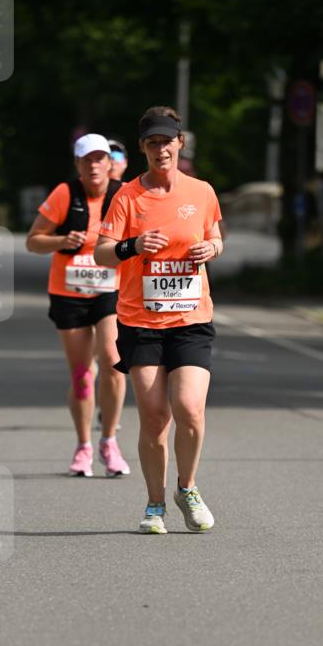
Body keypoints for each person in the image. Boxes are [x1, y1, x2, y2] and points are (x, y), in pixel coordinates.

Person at [95, 106, 223, 534]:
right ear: (142, 149)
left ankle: (186, 488)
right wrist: (132, 245)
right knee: (154, 416)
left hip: (191, 317)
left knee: (189, 408)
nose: (161, 149)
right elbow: (102, 251)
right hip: (140, 321)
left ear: (180, 143)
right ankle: (154, 504)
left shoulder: (202, 191)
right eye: (152, 143)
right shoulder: (128, 196)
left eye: (167, 141)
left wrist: (212, 249)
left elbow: (216, 235)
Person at [26, 133, 131, 478]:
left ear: (109, 163)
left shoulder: (124, 193)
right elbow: (33, 242)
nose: (94, 165)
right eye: (87, 160)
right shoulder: (64, 194)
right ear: (78, 165)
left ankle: (110, 442)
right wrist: (61, 240)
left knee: (114, 362)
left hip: (110, 290)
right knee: (83, 376)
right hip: (68, 291)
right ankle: (84, 445)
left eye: (100, 158)